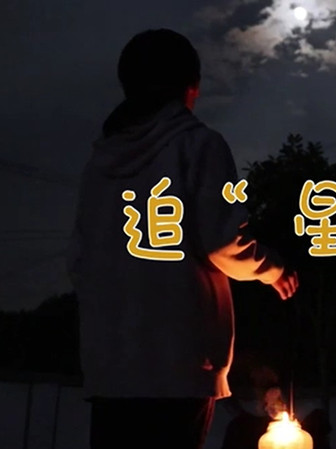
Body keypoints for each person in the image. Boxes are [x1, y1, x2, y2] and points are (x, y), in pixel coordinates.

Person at [67, 29, 299, 449]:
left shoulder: (98, 164)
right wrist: (273, 269)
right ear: (191, 87)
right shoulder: (198, 145)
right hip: (180, 365)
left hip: (111, 368)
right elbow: (222, 243)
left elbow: (79, 261)